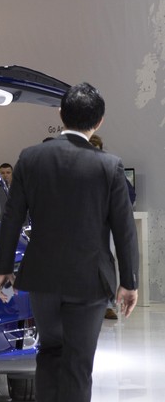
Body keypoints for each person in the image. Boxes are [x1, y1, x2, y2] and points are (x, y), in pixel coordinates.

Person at [0, 83, 139, 402]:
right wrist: (129, 282)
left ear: (60, 115)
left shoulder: (30, 158)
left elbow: (12, 218)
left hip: (42, 276)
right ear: (99, 121)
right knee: (78, 362)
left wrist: (3, 269)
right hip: (90, 280)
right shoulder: (109, 166)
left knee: (49, 350)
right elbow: (124, 230)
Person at [88, 133, 136, 320]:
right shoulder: (76, 168)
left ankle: (108, 303)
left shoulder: (110, 167)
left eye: (96, 148)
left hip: (104, 225)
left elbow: (129, 194)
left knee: (106, 260)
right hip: (82, 225)